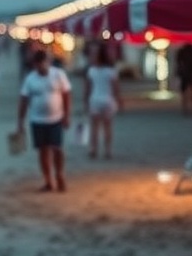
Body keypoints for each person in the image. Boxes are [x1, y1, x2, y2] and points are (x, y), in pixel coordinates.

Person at [15, 50, 72, 192]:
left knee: (57, 148)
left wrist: (66, 115)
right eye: (39, 64)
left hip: (56, 118)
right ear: (35, 65)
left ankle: (59, 174)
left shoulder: (58, 75)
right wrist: (20, 122)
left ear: (49, 62)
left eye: (44, 62)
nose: (42, 66)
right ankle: (48, 180)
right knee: (43, 151)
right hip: (38, 119)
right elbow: (23, 100)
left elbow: (66, 95)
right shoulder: (30, 79)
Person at [83, 44, 122, 159]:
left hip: (95, 100)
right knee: (107, 127)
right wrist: (119, 100)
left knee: (94, 127)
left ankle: (93, 149)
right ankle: (108, 150)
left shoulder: (91, 71)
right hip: (108, 100)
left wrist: (86, 102)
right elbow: (116, 88)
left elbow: (88, 89)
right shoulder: (111, 71)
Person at [175, 43, 192, 115]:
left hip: (184, 74)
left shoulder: (181, 51)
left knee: (184, 92)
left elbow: (178, 62)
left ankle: (185, 109)